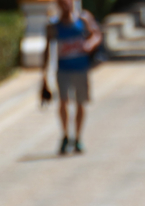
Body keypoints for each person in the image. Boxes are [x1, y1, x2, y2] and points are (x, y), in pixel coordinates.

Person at [43, 0, 102, 154]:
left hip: (81, 68)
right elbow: (47, 49)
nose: (65, 5)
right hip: (63, 69)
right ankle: (65, 135)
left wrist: (90, 44)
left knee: (80, 103)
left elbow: (96, 34)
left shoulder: (82, 19)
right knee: (63, 102)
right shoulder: (54, 26)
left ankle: (77, 137)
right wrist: (43, 75)